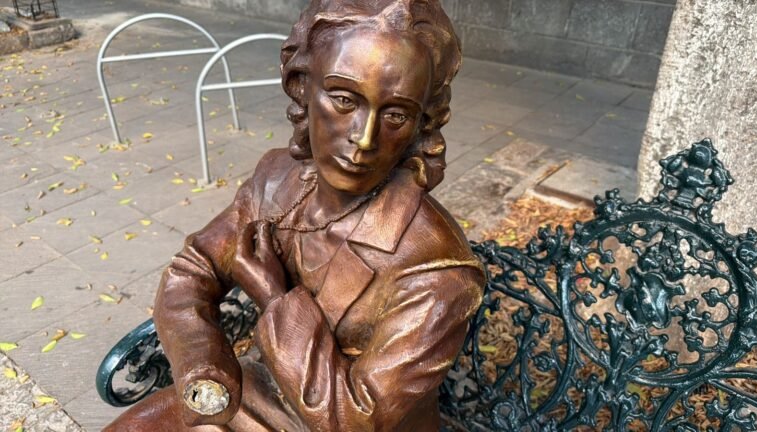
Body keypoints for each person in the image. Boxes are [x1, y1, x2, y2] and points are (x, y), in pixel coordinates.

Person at [105, 0, 484, 430]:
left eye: (397, 114)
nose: (364, 139)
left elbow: (356, 419)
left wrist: (275, 299)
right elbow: (193, 269)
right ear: (303, 86)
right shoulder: (276, 179)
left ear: (422, 124)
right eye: (344, 99)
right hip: (258, 393)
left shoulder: (436, 268)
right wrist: (207, 370)